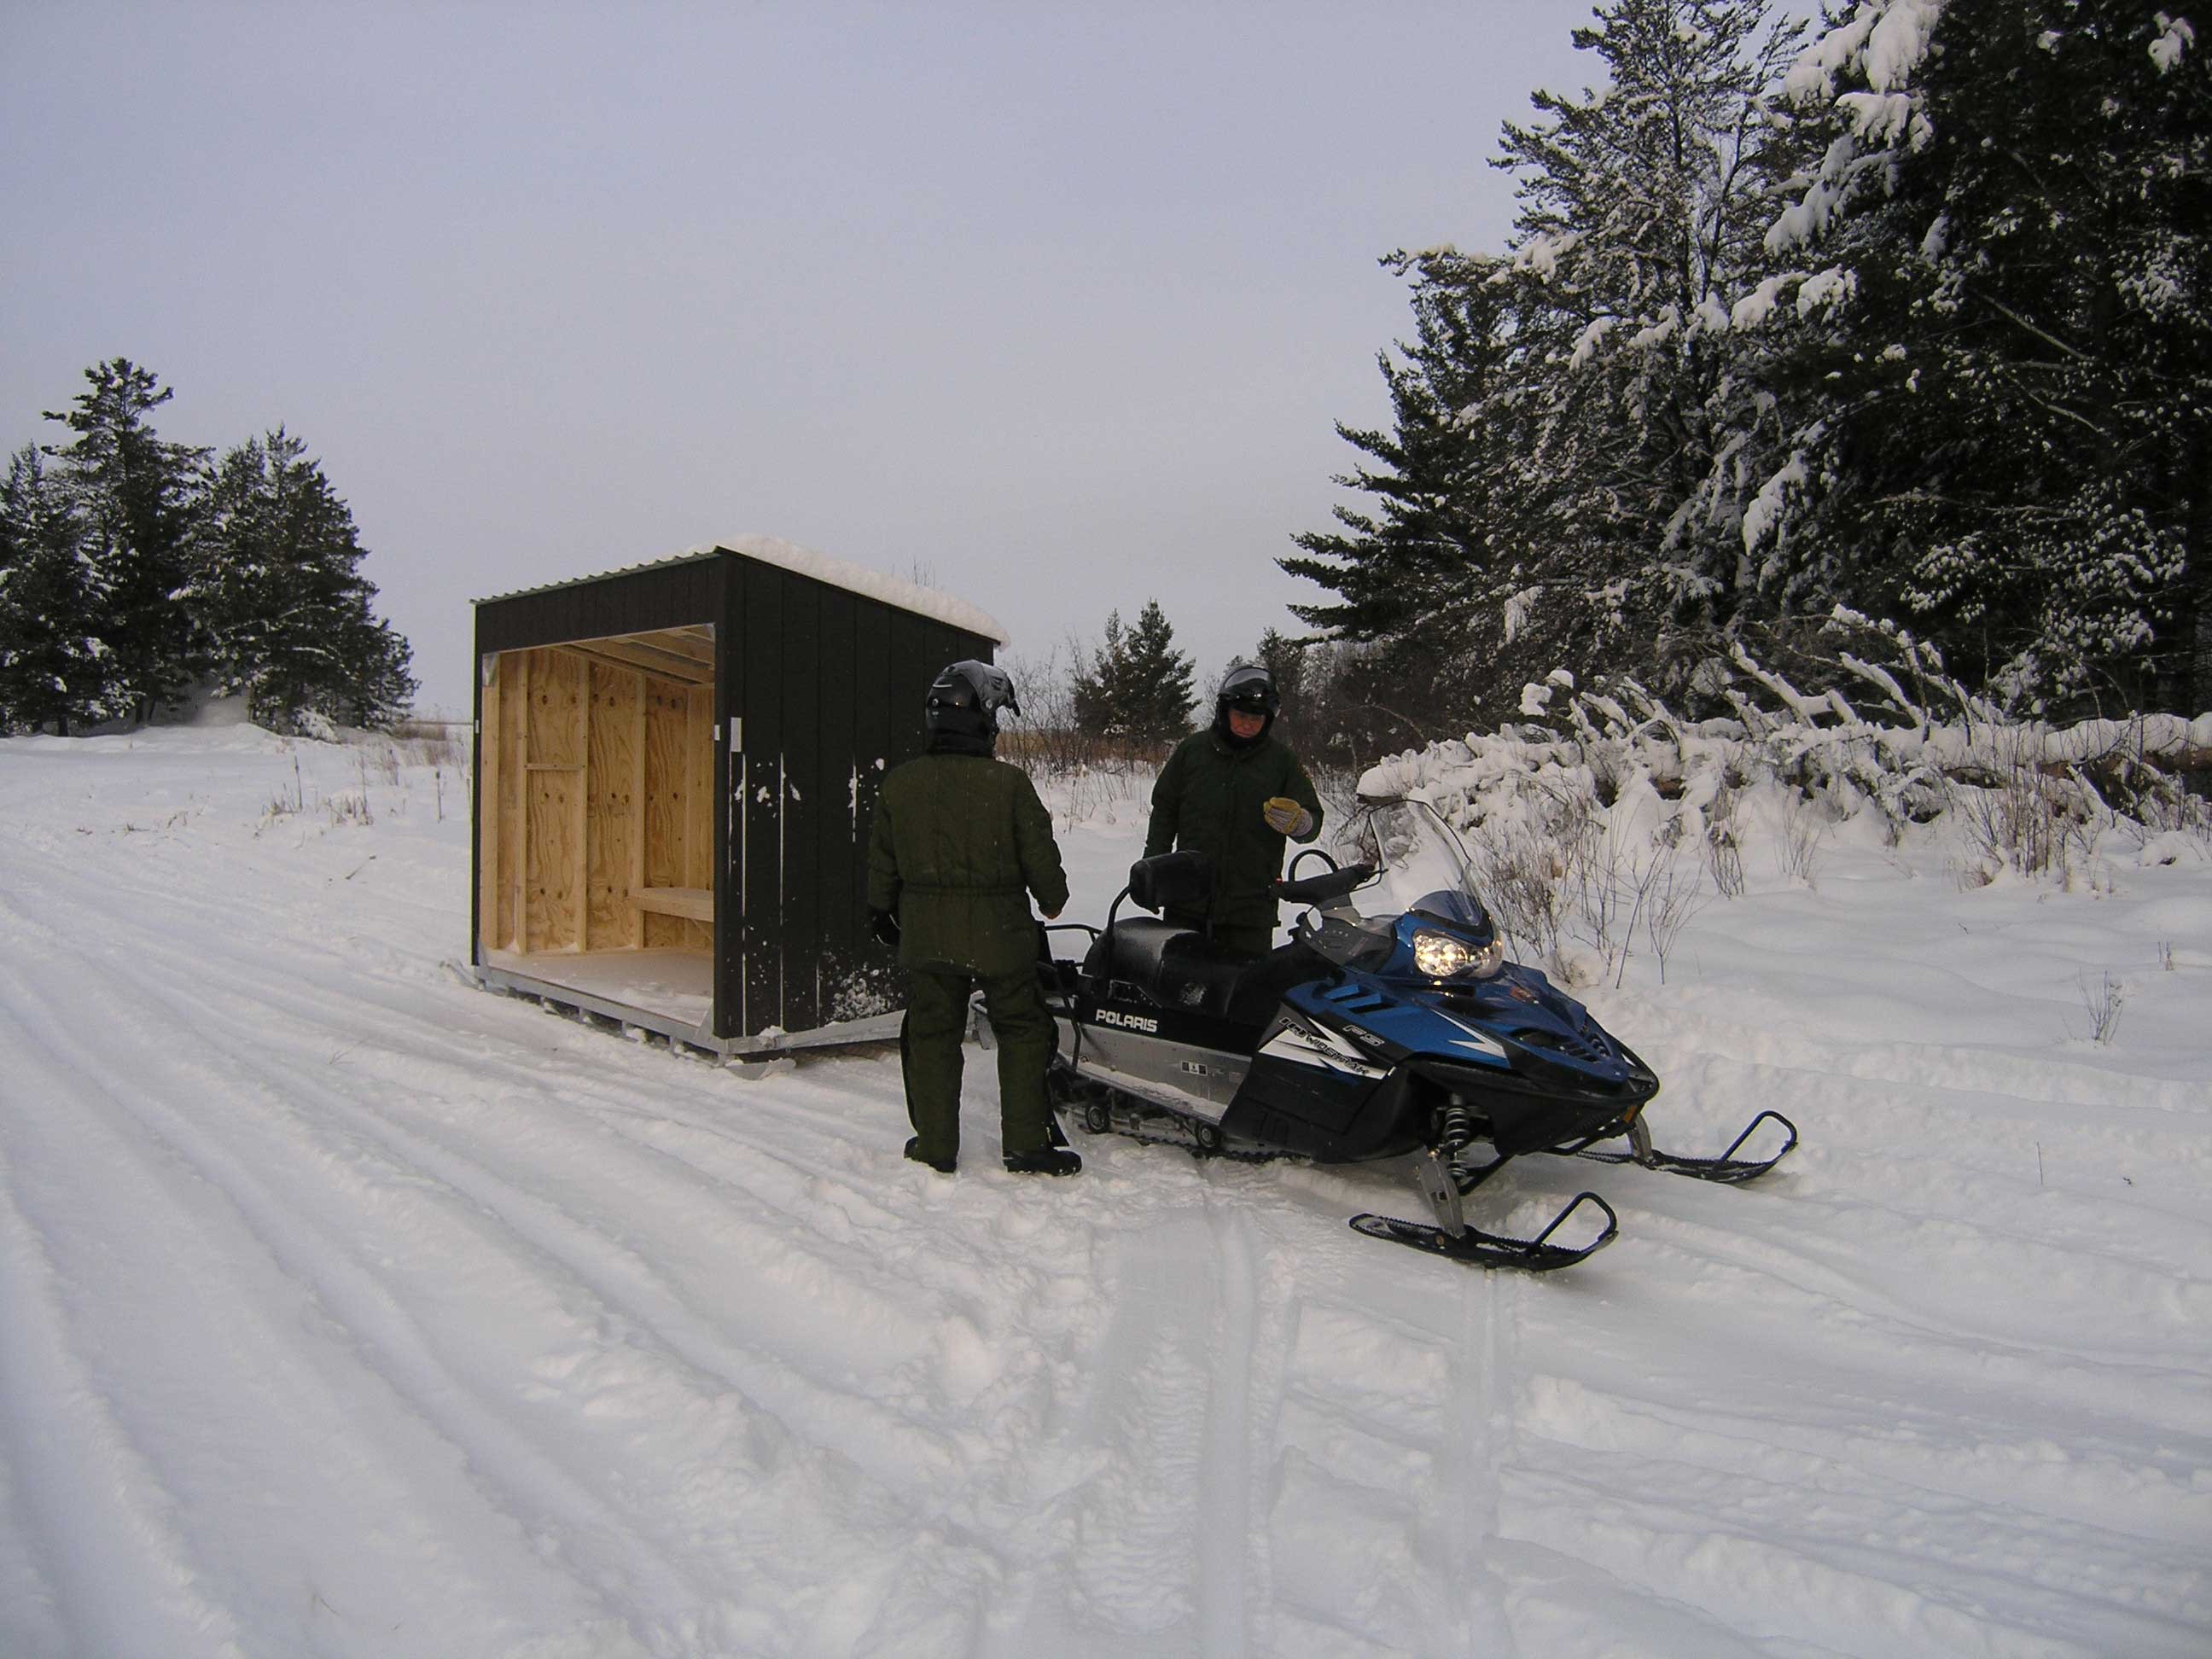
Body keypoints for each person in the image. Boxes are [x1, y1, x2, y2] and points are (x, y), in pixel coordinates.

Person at [867, 660, 1080, 1178]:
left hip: (927, 938)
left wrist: (881, 913)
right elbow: (1042, 866)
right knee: (1024, 1030)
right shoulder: (1008, 785)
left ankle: (936, 1145)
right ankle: (1028, 1145)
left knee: (933, 1034)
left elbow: (882, 862)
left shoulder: (901, 784)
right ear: (983, 718)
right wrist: (1052, 900)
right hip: (1001, 939)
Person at [1143, 661, 1324, 956]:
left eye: (1257, 718)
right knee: (1178, 992)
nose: (1248, 724)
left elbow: (1313, 823)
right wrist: (1154, 866)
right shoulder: (1192, 751)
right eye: (1241, 715)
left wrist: (1299, 822)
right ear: (1224, 711)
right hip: (1188, 903)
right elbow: (1164, 810)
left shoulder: (1282, 762)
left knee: (1245, 995)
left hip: (1251, 911)